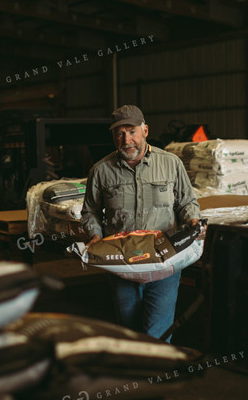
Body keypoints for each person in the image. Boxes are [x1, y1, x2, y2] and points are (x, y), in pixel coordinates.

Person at [81, 105, 201, 341]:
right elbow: (90, 211)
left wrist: (193, 219)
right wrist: (94, 235)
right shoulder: (101, 170)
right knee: (129, 332)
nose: (127, 140)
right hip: (122, 265)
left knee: (158, 333)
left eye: (132, 131)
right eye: (119, 133)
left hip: (164, 260)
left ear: (145, 130)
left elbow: (187, 201)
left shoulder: (171, 163)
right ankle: (138, 374)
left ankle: (155, 375)